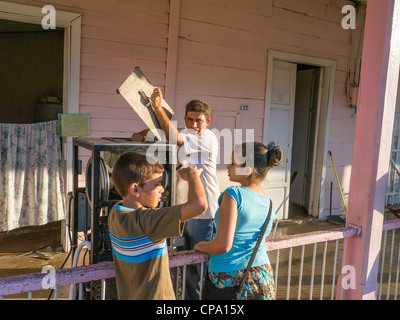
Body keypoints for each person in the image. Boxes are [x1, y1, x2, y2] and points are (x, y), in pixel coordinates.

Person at [131, 88, 220, 300]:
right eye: (191, 120)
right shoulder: (185, 132)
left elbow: (177, 139)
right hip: (186, 211)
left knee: (202, 269)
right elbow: (165, 132)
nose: (195, 124)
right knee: (188, 268)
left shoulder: (207, 138)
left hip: (204, 214)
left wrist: (158, 108)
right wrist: (142, 134)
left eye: (200, 120)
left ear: (208, 122)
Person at [107, 151, 207, 300]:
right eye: (157, 184)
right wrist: (193, 176)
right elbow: (199, 206)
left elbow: (136, 241)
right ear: (135, 189)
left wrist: (155, 245)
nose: (162, 189)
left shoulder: (115, 213)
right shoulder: (149, 221)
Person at [194, 141, 283, 300]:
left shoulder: (233, 195)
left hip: (229, 279)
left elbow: (222, 246)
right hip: (262, 276)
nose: (228, 167)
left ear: (247, 170)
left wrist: (201, 246)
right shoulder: (268, 202)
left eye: (233, 163)